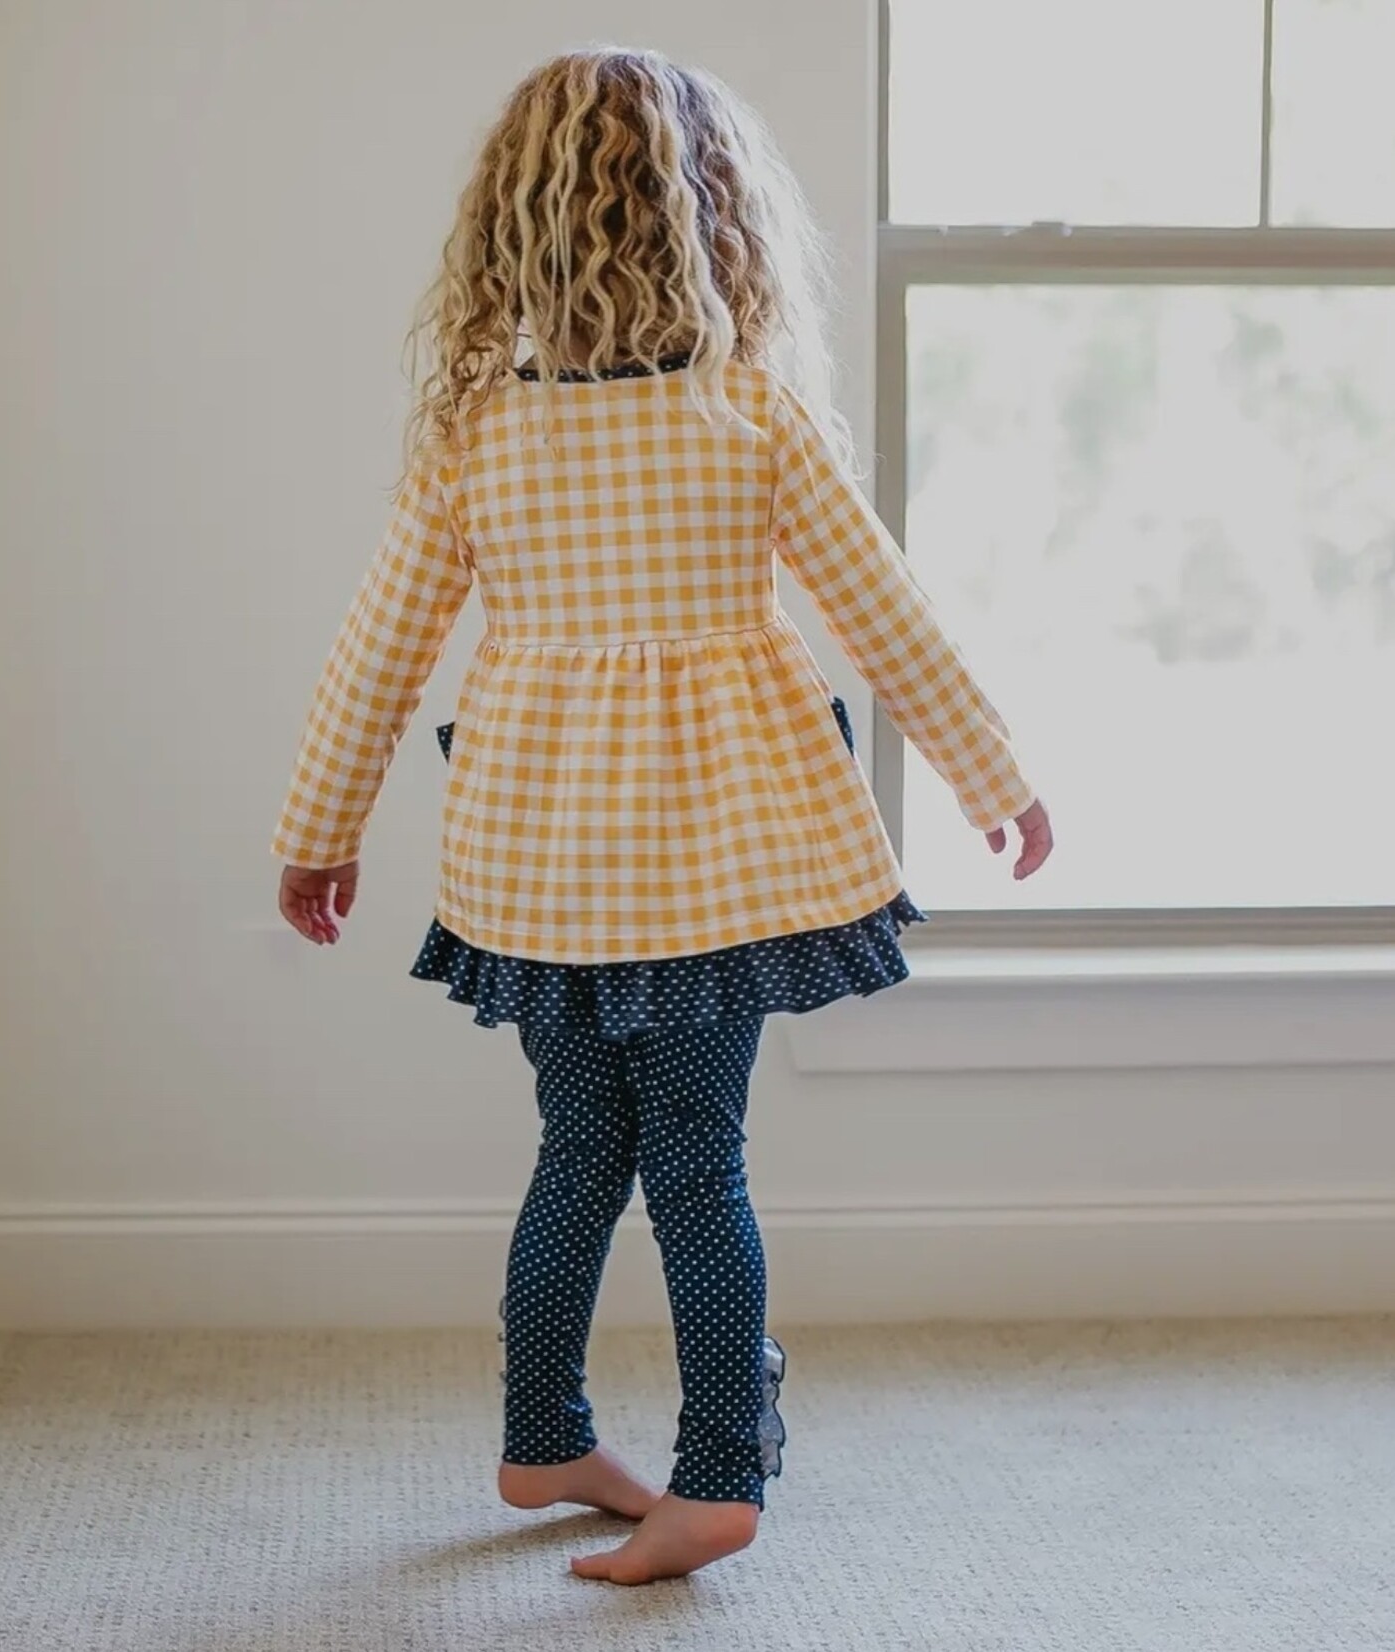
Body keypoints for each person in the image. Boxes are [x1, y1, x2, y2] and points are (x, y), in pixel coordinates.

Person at [272, 46, 1053, 1586]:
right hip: (719, 863)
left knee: (579, 1147)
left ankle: (543, 1429)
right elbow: (890, 618)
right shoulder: (754, 415)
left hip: (540, 865)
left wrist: (321, 828)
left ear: (514, 231)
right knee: (698, 1152)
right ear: (715, 218)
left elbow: (377, 648)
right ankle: (713, 1477)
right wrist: (994, 776)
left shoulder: (479, 433)